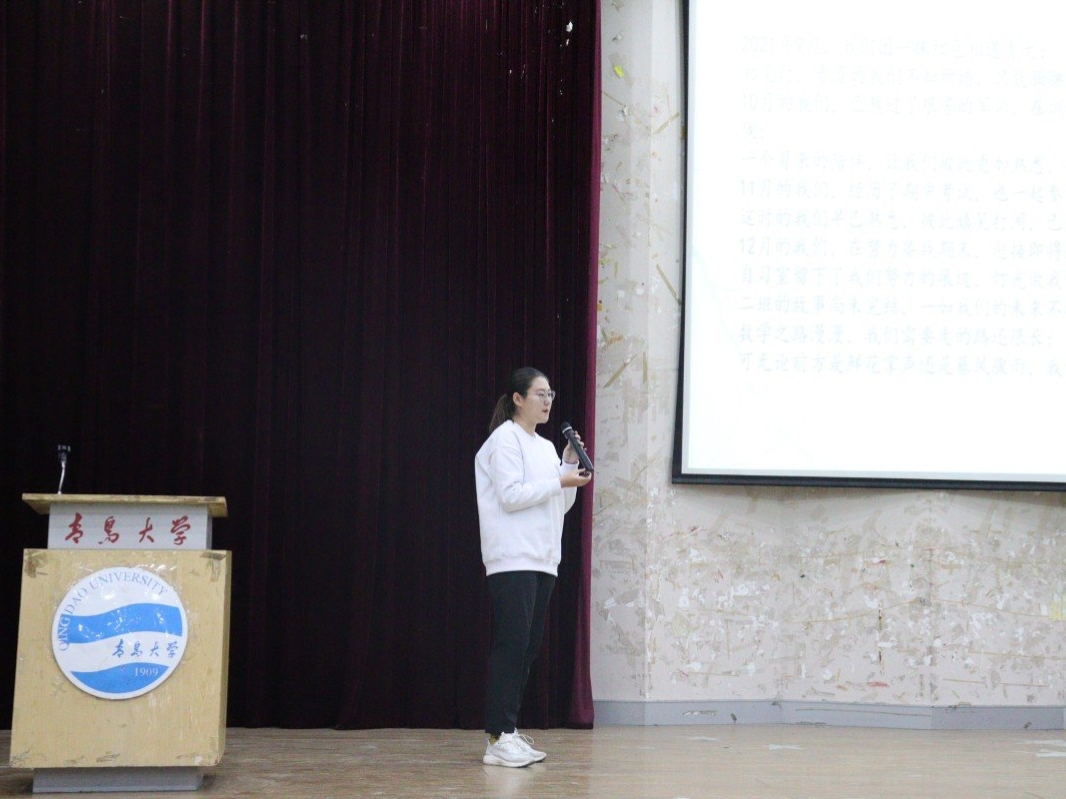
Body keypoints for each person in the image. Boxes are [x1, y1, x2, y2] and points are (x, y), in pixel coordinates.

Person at [475, 367, 593, 768]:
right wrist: (560, 482)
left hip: (543, 558)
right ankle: (497, 736)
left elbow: (560, 504)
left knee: (527, 646)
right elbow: (510, 496)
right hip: (512, 557)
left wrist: (566, 469)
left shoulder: (544, 447)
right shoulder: (504, 440)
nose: (547, 401)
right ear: (518, 399)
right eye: (540, 394)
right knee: (512, 644)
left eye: (550, 394)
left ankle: (508, 731)